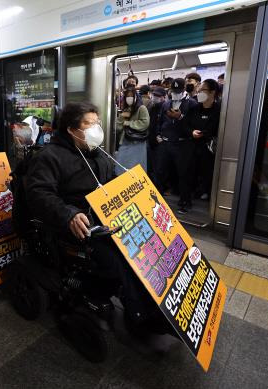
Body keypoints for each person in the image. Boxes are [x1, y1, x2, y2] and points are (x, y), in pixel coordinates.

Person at [25, 102, 172, 335]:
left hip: (104, 220)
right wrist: (69, 214)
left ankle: (158, 306)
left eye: (97, 123)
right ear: (71, 129)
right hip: (74, 226)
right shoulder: (50, 156)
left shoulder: (98, 154)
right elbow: (38, 193)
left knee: (146, 246)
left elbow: (113, 183)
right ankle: (139, 315)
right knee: (116, 260)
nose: (96, 128)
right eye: (89, 124)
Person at [155, 78, 198, 214]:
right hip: (166, 142)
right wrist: (158, 134)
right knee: (159, 172)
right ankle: (156, 200)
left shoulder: (192, 104)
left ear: (185, 89)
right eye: (174, 90)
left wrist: (180, 118)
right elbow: (160, 120)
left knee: (183, 174)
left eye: (179, 90)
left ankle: (185, 201)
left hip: (182, 143)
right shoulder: (166, 104)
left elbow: (193, 125)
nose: (176, 93)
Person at [188, 79, 221, 200]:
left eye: (203, 90)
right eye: (199, 90)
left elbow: (217, 128)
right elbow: (186, 124)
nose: (199, 92)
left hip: (209, 148)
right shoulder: (194, 108)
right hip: (193, 145)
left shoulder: (220, 110)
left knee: (207, 171)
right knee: (192, 170)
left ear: (212, 92)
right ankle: (195, 191)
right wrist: (192, 132)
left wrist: (205, 133)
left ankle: (206, 191)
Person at [115, 87, 150, 173]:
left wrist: (129, 123)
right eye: (127, 96)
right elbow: (118, 127)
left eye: (131, 96)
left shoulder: (141, 108)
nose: (129, 98)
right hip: (125, 140)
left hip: (137, 142)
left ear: (135, 97)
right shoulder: (126, 109)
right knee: (121, 166)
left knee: (136, 167)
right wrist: (122, 117)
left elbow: (145, 123)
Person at [147, 87, 167, 182]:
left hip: (160, 142)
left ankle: (159, 188)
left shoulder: (166, 107)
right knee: (151, 166)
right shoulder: (152, 107)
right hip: (151, 140)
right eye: (154, 95)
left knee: (159, 168)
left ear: (164, 97)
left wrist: (160, 135)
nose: (155, 97)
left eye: (158, 96)